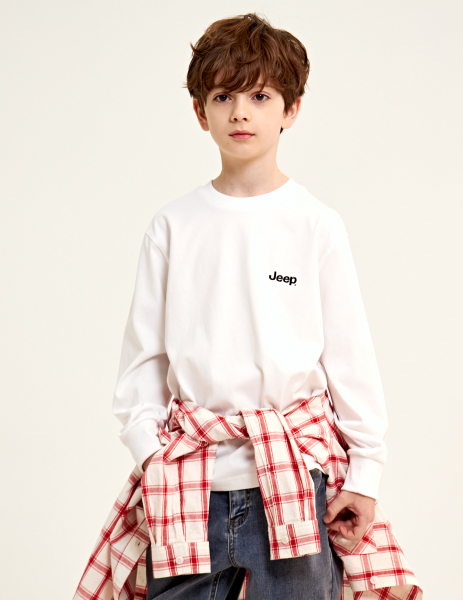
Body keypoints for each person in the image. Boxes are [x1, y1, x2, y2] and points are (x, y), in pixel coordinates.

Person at [112, 12, 389, 600]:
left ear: (291, 109)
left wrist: (365, 473)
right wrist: (152, 456)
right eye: (223, 96)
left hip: (296, 480)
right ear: (200, 111)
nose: (241, 112)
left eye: (260, 96)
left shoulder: (315, 224)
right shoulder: (173, 226)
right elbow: (142, 362)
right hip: (187, 481)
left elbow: (350, 359)